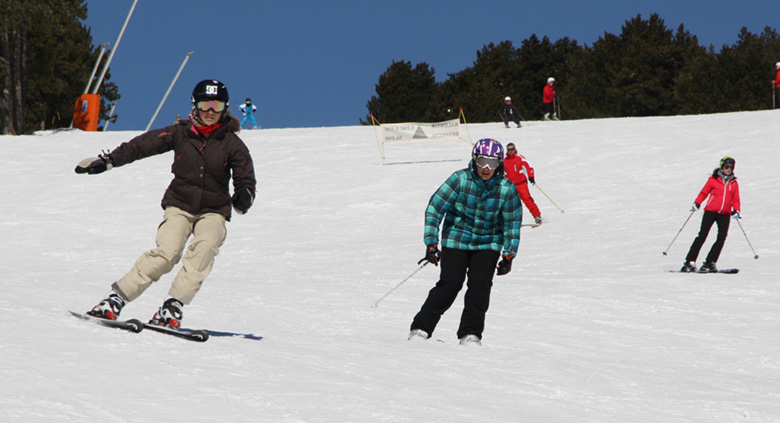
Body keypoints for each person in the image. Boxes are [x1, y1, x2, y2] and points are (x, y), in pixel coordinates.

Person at [75, 79, 257, 328]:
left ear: (225, 108)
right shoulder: (180, 133)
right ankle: (114, 300)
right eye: (205, 104)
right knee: (166, 253)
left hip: (214, 211)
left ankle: (172, 307)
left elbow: (246, 178)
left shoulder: (232, 144)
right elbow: (143, 145)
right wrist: (108, 160)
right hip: (180, 205)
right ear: (195, 106)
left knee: (204, 249)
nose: (210, 111)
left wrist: (244, 195)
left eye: (216, 105)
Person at [409, 138, 521, 346]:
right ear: (474, 161)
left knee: (480, 286)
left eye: (492, 163)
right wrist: (431, 242)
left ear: (500, 164)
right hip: (457, 238)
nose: (486, 168)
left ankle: (470, 333)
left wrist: (509, 254)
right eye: (481, 162)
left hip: (488, 243)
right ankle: (421, 327)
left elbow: (512, 222)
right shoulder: (460, 179)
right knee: (450, 283)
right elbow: (435, 207)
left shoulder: (506, 189)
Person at [681, 157, 740, 273]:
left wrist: (736, 210)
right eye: (726, 167)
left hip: (725, 214)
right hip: (711, 211)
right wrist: (697, 203)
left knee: (722, 237)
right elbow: (704, 192)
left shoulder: (734, 182)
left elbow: (736, 199)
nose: (729, 169)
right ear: (722, 167)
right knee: (702, 235)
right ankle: (689, 262)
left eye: (731, 167)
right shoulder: (713, 179)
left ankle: (710, 262)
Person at [504, 143, 542, 226]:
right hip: (510, 186)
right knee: (511, 204)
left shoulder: (520, 158)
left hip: (521, 184)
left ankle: (537, 216)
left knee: (527, 199)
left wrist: (531, 176)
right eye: (509, 150)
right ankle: (513, 221)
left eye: (512, 149)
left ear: (515, 149)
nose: (510, 151)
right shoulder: (504, 161)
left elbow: (529, 167)